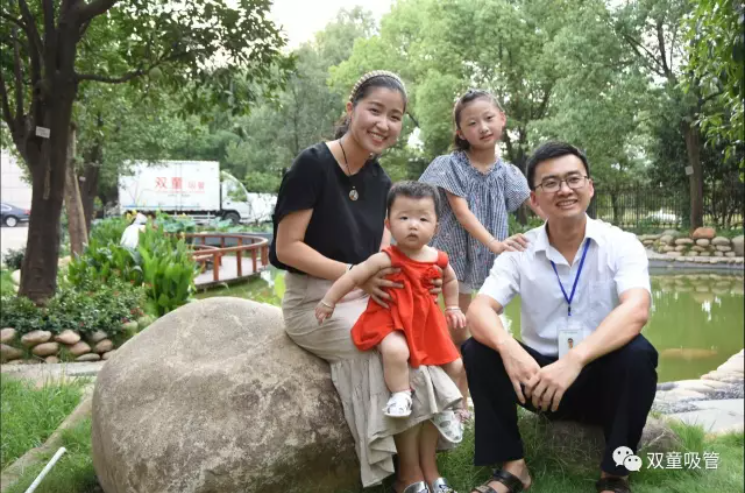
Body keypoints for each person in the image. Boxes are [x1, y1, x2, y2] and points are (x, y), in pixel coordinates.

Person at [270, 71, 463, 493]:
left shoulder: (380, 182)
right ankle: (407, 477)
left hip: (366, 295)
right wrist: (354, 276)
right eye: (375, 110)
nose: (383, 124)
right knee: (389, 353)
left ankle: (430, 470)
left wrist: (423, 283)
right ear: (351, 108)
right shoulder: (312, 165)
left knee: (419, 346)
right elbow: (287, 248)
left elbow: (388, 256)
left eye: (395, 116)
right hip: (315, 302)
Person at [463, 141, 657, 493]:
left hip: (599, 378)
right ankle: (512, 467)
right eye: (550, 183)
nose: (564, 189)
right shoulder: (519, 251)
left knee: (639, 354)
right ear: (535, 200)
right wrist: (508, 347)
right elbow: (478, 310)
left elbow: (636, 309)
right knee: (478, 350)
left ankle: (614, 475)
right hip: (537, 382)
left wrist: (575, 359)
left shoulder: (621, 243)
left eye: (573, 179)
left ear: (589, 187)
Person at [315, 181, 468, 442]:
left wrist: (452, 306)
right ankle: (401, 394)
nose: (413, 225)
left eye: (423, 219)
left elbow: (450, 280)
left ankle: (448, 408)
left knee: (455, 364)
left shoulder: (438, 258)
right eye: (404, 217)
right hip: (390, 320)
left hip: (425, 324)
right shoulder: (385, 258)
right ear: (388, 224)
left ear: (436, 227)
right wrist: (329, 301)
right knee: (396, 351)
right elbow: (352, 277)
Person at [419, 89, 543, 349]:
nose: (483, 127)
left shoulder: (508, 172)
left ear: (502, 118)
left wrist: (564, 223)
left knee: (491, 315)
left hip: (488, 254)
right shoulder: (452, 165)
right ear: (461, 133)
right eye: (472, 123)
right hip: (456, 251)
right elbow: (462, 213)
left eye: (488, 118)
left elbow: (534, 203)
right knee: (457, 318)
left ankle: (484, 361)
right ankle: (457, 363)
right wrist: (495, 243)